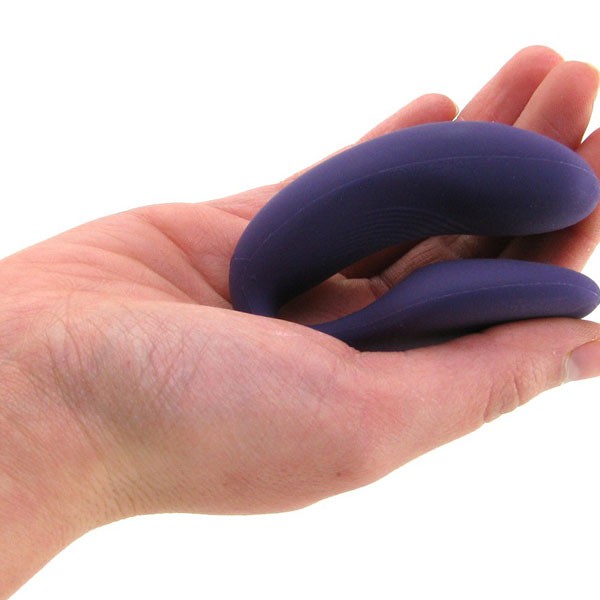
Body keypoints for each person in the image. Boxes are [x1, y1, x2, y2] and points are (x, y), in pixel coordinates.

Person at [0, 45, 599, 597]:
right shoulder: (253, 272)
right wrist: (47, 387)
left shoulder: (253, 270)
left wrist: (38, 378)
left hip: (266, 269)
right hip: (265, 271)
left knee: (567, 190)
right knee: (566, 191)